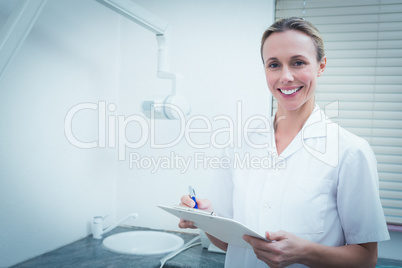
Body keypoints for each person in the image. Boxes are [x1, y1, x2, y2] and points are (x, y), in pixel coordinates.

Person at [179, 17, 390, 268]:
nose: (286, 76)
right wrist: (202, 219)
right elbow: (231, 243)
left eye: (298, 62)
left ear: (321, 66)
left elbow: (366, 259)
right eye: (274, 65)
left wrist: (304, 253)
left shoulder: (351, 152)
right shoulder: (239, 144)